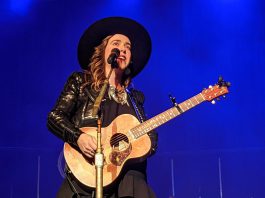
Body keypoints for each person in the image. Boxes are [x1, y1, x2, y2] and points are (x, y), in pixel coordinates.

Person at [47, 17, 158, 198]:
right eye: (116, 43)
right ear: (103, 51)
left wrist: (141, 145)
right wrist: (79, 138)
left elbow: (151, 141)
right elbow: (54, 117)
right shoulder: (80, 82)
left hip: (127, 182)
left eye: (128, 47)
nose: (123, 49)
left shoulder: (135, 99)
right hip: (87, 174)